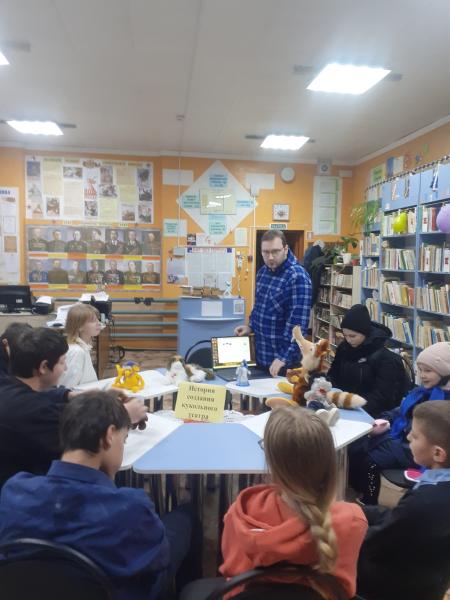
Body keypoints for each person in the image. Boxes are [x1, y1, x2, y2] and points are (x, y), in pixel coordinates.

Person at [0, 390, 198, 599]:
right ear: (109, 436)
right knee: (185, 517)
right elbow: (158, 562)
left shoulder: (14, 491)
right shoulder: (130, 508)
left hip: (24, 588)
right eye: (124, 439)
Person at [219, 407, 367, 598]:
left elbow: (232, 576)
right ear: (328, 461)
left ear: (273, 462)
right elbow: (344, 588)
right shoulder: (352, 521)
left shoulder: (240, 514)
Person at [0, 327, 147, 489]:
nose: (65, 368)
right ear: (43, 367)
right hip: (27, 489)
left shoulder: (7, 384)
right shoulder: (35, 412)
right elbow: (87, 433)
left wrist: (73, 395)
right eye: (62, 362)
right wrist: (125, 413)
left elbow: (43, 395)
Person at [357, 401, 450, 600]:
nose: (407, 437)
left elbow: (378, 541)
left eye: (415, 436)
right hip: (431, 579)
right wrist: (359, 511)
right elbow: (399, 518)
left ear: (438, 453)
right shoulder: (438, 487)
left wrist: (346, 528)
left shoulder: (426, 501)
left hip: (395, 585)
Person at [351, 341, 450, 505]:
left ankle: (369, 499)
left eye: (428, 371)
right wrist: (386, 418)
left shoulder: (443, 404)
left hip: (413, 448)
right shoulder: (422, 391)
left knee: (370, 461)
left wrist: (392, 434)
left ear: (445, 373)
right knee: (357, 446)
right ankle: (360, 488)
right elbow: (401, 409)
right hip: (400, 437)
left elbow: (427, 436)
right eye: (420, 370)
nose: (422, 375)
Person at [234, 230, 312, 376]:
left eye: (275, 251)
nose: (270, 257)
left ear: (286, 249)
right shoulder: (263, 272)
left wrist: (283, 357)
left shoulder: (297, 277)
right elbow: (260, 308)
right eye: (266, 252)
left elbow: (298, 325)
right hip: (261, 356)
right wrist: (250, 326)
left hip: (283, 363)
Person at [327, 303, 407, 417]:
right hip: (343, 406)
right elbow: (334, 376)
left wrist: (352, 407)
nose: (348, 340)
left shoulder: (385, 359)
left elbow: (382, 397)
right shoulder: (344, 349)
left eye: (353, 336)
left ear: (364, 333)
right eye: (345, 335)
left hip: (369, 413)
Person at [58, 304, 101, 388]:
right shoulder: (76, 352)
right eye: (93, 321)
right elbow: (68, 388)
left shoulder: (83, 347)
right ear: (79, 326)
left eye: (98, 319)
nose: (98, 323)